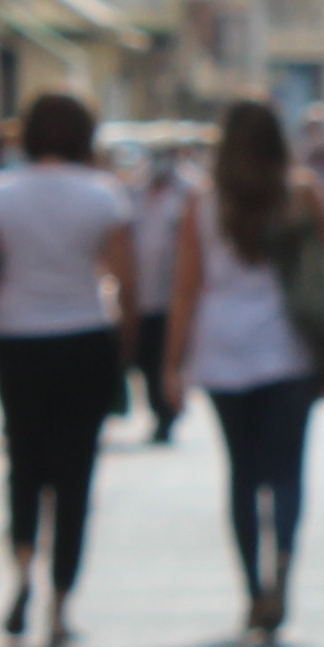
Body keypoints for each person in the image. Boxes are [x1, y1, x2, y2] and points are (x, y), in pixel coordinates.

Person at [0, 92, 136, 647]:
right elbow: (126, 281)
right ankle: (60, 603)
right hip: (84, 337)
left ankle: (23, 567)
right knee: (76, 473)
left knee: (24, 462)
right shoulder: (103, 194)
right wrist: (125, 352)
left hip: (17, 340)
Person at [169, 101, 324, 642]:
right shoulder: (301, 193)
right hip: (288, 348)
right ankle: (282, 566)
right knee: (287, 471)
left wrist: (171, 363)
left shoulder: (203, 202)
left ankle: (251, 589)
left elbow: (185, 287)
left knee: (241, 473)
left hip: (223, 351)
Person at [118, 128, 193, 445]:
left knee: (168, 354)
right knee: (146, 359)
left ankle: (167, 411)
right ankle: (158, 407)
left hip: (174, 294)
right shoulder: (135, 192)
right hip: (143, 294)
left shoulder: (189, 192)